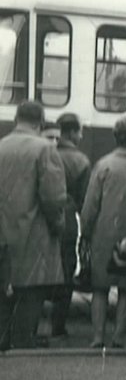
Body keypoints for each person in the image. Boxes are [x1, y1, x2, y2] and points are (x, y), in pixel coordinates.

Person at [0, 101, 66, 350]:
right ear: (41, 121)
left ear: (16, 118)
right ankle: (22, 349)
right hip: (34, 237)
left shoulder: (1, 145)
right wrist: (58, 226)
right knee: (29, 298)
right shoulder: (44, 149)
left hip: (3, 237)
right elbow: (53, 198)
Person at [79, 114, 126, 348]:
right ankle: (119, 337)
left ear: (116, 136)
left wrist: (86, 232)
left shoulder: (104, 164)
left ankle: (98, 336)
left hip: (103, 233)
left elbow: (91, 205)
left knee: (99, 288)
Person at [50, 112, 92, 338]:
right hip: (67, 219)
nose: (81, 135)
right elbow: (84, 199)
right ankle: (58, 325)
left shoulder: (48, 154)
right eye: (80, 131)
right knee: (66, 270)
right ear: (73, 132)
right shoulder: (81, 161)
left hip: (45, 219)